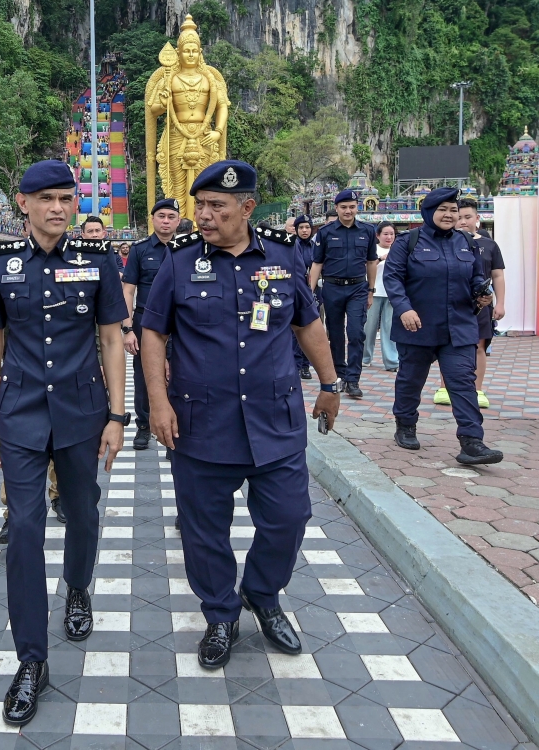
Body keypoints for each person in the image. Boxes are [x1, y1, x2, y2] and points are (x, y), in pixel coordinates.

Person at [141, 160, 340, 670]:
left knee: (289, 517)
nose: (203, 216)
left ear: (247, 208)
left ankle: (263, 593)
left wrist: (330, 383)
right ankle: (221, 613)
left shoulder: (282, 254)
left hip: (274, 422)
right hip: (202, 423)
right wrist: (158, 403)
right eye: (199, 206)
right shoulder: (180, 262)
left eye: (216, 207)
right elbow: (153, 333)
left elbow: (307, 324)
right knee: (204, 529)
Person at [0, 160, 128, 726]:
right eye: (46, 199)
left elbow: (112, 339)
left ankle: (79, 587)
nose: (58, 208)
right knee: (23, 532)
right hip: (19, 414)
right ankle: (31, 662)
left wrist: (117, 414)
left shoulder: (98, 262)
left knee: (83, 513)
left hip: (83, 412)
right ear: (24, 203)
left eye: (67, 198)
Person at [383, 187, 503, 465]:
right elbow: (393, 279)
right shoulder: (407, 242)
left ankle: (472, 442)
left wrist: (483, 293)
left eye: (453, 210)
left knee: (462, 382)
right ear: (429, 212)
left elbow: (475, 276)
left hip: (458, 327)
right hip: (418, 326)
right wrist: (404, 309)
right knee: (411, 381)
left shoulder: (466, 242)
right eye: (443, 210)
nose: (449, 215)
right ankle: (405, 424)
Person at [434, 199, 505, 408]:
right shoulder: (445, 242)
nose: (463, 221)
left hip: (481, 304)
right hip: (452, 302)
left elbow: (498, 275)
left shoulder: (489, 245)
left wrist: (500, 303)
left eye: (468, 217)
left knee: (479, 346)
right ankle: (444, 387)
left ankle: (478, 389)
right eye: (460, 216)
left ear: (477, 219)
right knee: (447, 345)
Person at [121, 197, 181, 449]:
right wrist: (127, 328)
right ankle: (144, 426)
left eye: (171, 217)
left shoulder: (189, 248)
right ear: (153, 219)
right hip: (146, 322)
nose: (166, 221)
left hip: (181, 324)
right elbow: (128, 290)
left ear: (178, 220)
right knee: (144, 376)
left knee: (181, 375)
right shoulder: (140, 249)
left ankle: (176, 428)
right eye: (161, 216)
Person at [310, 190, 378, 398]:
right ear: (337, 208)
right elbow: (317, 263)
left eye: (352, 206)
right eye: (344, 207)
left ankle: (353, 379)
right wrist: (309, 293)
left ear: (357, 207)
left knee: (357, 333)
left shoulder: (367, 230)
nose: (348, 211)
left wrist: (371, 291)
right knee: (336, 335)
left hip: (358, 288)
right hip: (333, 288)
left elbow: (371, 261)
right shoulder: (326, 232)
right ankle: (339, 374)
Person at [362, 222, 399, 372]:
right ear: (377, 235)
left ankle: (391, 361)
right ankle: (364, 358)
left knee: (389, 329)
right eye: (385, 234)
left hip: (391, 294)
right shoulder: (372, 249)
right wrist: (381, 258)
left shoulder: (398, 250)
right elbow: (364, 267)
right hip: (373, 293)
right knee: (368, 327)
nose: (389, 237)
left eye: (392, 234)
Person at [291, 215, 316, 379]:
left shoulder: (316, 246)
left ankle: (306, 365)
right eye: (301, 228)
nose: (304, 230)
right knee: (295, 330)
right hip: (296, 290)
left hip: (314, 291)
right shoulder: (291, 245)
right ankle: (295, 364)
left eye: (307, 227)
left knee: (311, 328)